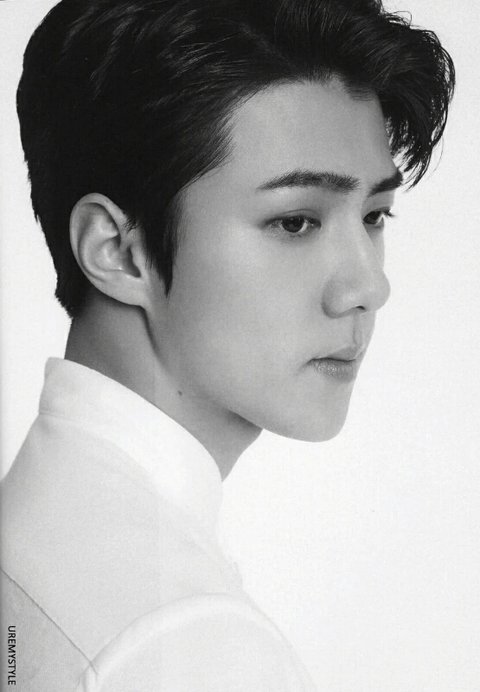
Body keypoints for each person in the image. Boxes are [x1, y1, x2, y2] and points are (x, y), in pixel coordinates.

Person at [0, 0, 454, 689]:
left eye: (374, 215)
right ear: (116, 250)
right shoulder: (189, 641)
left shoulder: (31, 529)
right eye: (296, 222)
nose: (368, 286)